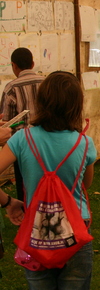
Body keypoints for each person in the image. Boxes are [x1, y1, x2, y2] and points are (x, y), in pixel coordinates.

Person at [0, 71, 97, 290]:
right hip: (76, 228)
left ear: (41, 102)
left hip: (37, 230)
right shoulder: (85, 144)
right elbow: (85, 183)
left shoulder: (22, 139)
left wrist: (9, 201)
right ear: (77, 104)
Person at [0, 47, 45, 201]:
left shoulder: (11, 88)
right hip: (47, 142)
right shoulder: (46, 83)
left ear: (14, 65)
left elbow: (6, 124)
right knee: (47, 180)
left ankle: (27, 214)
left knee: (25, 185)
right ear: (32, 64)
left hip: (23, 146)